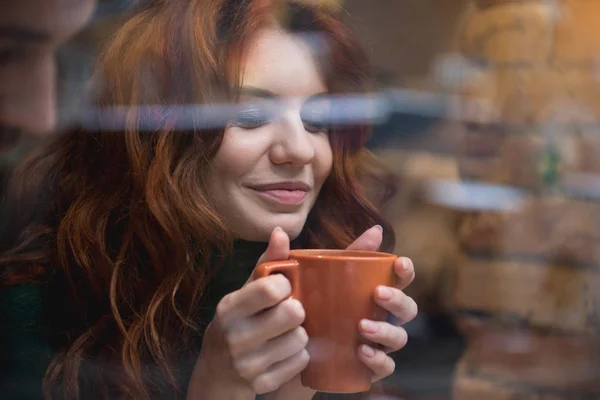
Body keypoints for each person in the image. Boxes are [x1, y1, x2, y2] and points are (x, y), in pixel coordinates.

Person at [0, 0, 418, 398]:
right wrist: (220, 384)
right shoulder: (37, 308)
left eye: (318, 120)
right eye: (252, 116)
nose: (301, 150)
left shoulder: (317, 268)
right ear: (160, 138)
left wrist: (300, 387)